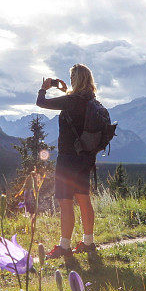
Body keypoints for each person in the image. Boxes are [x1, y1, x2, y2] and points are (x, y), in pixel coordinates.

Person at [36, 63, 98, 258]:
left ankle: (64, 246)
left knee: (65, 202)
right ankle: (88, 242)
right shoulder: (92, 101)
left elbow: (41, 103)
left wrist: (44, 88)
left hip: (68, 159)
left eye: (72, 79)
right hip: (86, 159)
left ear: (75, 80)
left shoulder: (71, 101)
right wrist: (65, 91)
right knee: (84, 199)